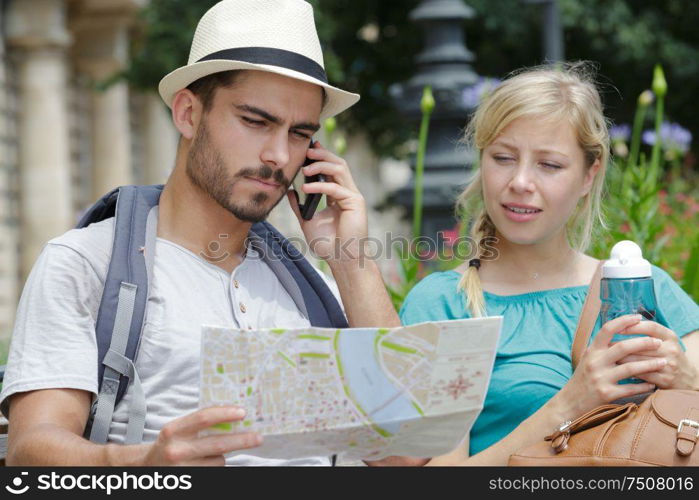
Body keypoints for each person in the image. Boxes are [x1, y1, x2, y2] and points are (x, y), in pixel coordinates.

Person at [1, 0, 409, 466]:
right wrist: (147, 464)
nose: (278, 154)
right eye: (256, 121)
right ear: (188, 114)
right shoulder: (86, 262)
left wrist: (349, 258)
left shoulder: (314, 287)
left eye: (300, 133)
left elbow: (401, 460)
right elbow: (30, 453)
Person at [399, 63, 699, 465]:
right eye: (503, 157)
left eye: (550, 165)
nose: (520, 181)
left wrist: (687, 380)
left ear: (589, 175)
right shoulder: (442, 305)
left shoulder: (645, 287)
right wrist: (568, 405)